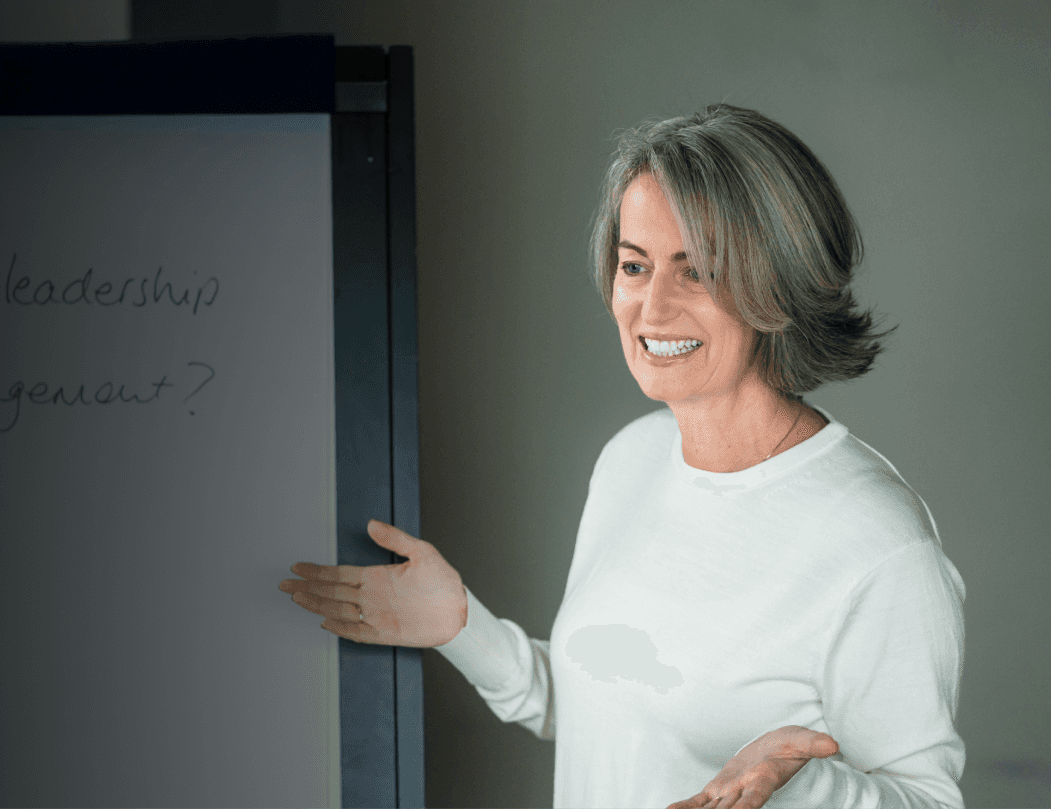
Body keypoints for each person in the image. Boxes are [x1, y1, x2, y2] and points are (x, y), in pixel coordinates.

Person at [279, 104, 966, 809]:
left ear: (779, 287)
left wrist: (799, 788)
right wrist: (459, 625)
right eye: (635, 266)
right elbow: (599, 718)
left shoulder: (880, 546)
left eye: (695, 272)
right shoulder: (631, 457)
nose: (652, 309)